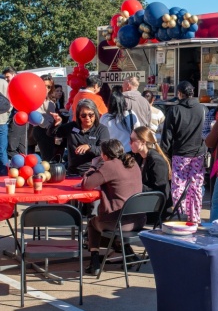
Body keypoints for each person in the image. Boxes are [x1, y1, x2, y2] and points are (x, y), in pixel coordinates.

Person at [81, 139, 143, 275]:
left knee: (93, 222)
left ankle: (95, 262)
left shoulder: (109, 166)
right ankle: (127, 252)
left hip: (119, 222)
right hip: (138, 220)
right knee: (115, 220)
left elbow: (86, 184)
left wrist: (93, 166)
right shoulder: (133, 163)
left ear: (105, 155)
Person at [160, 81, 207, 223]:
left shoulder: (174, 110)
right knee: (196, 186)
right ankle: (195, 216)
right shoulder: (203, 109)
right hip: (199, 152)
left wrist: (164, 153)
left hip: (180, 153)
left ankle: (181, 215)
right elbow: (206, 131)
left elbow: (167, 135)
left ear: (179, 93)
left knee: (179, 185)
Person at [48, 99, 110, 176]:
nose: (87, 118)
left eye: (90, 115)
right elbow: (52, 133)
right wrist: (56, 123)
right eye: (83, 115)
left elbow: (104, 150)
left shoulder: (102, 129)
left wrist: (89, 147)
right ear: (79, 116)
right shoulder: (72, 127)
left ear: (96, 114)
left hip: (94, 172)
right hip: (73, 172)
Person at [130, 126, 172, 219]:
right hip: (146, 203)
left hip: (155, 209)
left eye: (132, 140)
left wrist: (135, 185)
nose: (130, 143)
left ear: (143, 142)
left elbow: (160, 191)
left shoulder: (156, 161)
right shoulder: (140, 157)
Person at [100, 86, 140, 152]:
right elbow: (138, 131)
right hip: (129, 151)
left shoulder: (104, 118)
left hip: (112, 152)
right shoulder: (130, 114)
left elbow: (102, 136)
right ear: (123, 102)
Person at [31, 74, 57, 161]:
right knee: (47, 156)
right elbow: (37, 116)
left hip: (50, 129)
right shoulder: (36, 98)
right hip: (41, 129)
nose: (46, 89)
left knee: (50, 155)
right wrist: (49, 125)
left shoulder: (50, 98)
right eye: (44, 86)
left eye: (49, 87)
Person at [4, 67, 27, 159]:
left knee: (11, 149)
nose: (6, 79)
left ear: (14, 75)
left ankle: (25, 164)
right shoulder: (9, 88)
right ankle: (26, 167)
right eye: (5, 77)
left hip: (18, 119)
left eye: (7, 77)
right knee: (21, 149)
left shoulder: (19, 87)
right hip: (20, 119)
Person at [0, 76, 11, 175]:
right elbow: (10, 101)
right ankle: (4, 174)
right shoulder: (4, 82)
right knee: (2, 149)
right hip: (2, 120)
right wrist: (8, 112)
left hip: (2, 121)